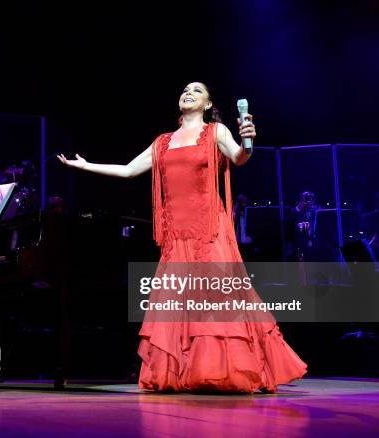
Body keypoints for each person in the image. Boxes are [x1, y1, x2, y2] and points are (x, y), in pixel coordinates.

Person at [58, 82, 307, 393]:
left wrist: (248, 140)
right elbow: (127, 170)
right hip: (177, 235)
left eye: (197, 90)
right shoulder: (162, 142)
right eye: (185, 89)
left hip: (209, 229)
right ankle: (189, 371)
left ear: (206, 104)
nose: (188, 92)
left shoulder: (216, 131)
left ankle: (226, 368)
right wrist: (85, 166)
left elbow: (240, 157)